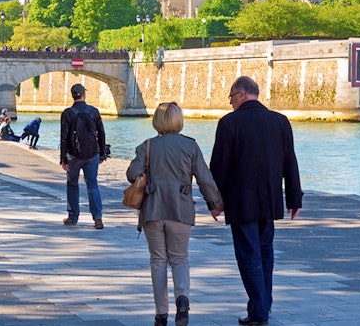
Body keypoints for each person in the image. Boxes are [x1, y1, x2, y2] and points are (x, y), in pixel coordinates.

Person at [210, 76, 303, 326]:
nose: (230, 103)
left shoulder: (229, 123)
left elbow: (219, 167)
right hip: (270, 201)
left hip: (241, 202)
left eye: (230, 97)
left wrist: (214, 201)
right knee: (265, 255)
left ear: (240, 94)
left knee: (248, 257)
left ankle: (260, 312)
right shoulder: (280, 121)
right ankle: (260, 308)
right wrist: (294, 198)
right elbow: (290, 162)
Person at [127, 102, 222, 326]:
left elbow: (132, 173)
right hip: (180, 210)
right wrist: (215, 203)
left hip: (153, 210)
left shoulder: (147, 145)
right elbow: (205, 178)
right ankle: (182, 300)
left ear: (157, 122)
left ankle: (161, 314)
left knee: (158, 261)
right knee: (180, 259)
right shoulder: (190, 146)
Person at [59, 83, 107, 229]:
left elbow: (64, 138)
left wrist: (63, 159)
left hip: (74, 155)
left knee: (72, 184)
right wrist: (102, 153)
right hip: (92, 154)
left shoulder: (67, 113)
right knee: (92, 184)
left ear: (72, 95)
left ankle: (73, 217)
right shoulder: (94, 111)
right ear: (84, 95)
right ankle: (97, 217)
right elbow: (102, 134)